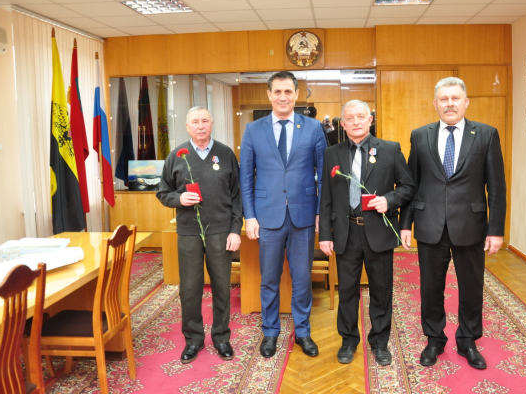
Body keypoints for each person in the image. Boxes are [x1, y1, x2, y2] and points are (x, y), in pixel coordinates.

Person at [399, 77, 506, 370]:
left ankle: (468, 340)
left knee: (471, 287)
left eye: (455, 98)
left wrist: (496, 230)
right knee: (430, 287)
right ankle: (434, 339)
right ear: (435, 104)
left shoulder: (486, 135)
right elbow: (411, 184)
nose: (449, 104)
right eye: (444, 99)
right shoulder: (420, 136)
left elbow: (496, 187)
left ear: (465, 102)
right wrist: (405, 224)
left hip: (471, 225)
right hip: (430, 224)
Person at [319, 100, 415, 366]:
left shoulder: (389, 149)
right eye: (350, 118)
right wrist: (325, 234)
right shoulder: (332, 153)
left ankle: (380, 342)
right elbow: (325, 196)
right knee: (347, 291)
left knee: (381, 291)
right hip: (345, 232)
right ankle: (348, 340)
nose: (356, 122)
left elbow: (408, 186)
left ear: (370, 119)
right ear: (342, 124)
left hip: (378, 232)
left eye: (361, 116)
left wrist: (389, 200)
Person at [240, 71, 327, 358]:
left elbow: (324, 174)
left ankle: (303, 332)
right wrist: (250, 216)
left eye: (288, 91)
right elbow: (246, 178)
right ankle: (270, 332)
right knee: (269, 278)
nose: (283, 97)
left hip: (304, 215)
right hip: (267, 216)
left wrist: (320, 212)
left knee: (302, 278)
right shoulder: (253, 130)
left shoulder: (313, 128)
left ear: (296, 94)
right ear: (269, 95)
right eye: (277, 91)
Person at [157, 107, 242, 364]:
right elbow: (163, 193)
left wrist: (235, 230)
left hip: (220, 232)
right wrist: (179, 199)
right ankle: (193, 339)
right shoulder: (176, 156)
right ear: (187, 126)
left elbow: (237, 196)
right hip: (189, 233)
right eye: (195, 121)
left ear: (212, 124)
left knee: (222, 287)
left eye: (205, 120)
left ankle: (221, 337)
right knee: (190, 289)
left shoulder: (226, 154)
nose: (201, 125)